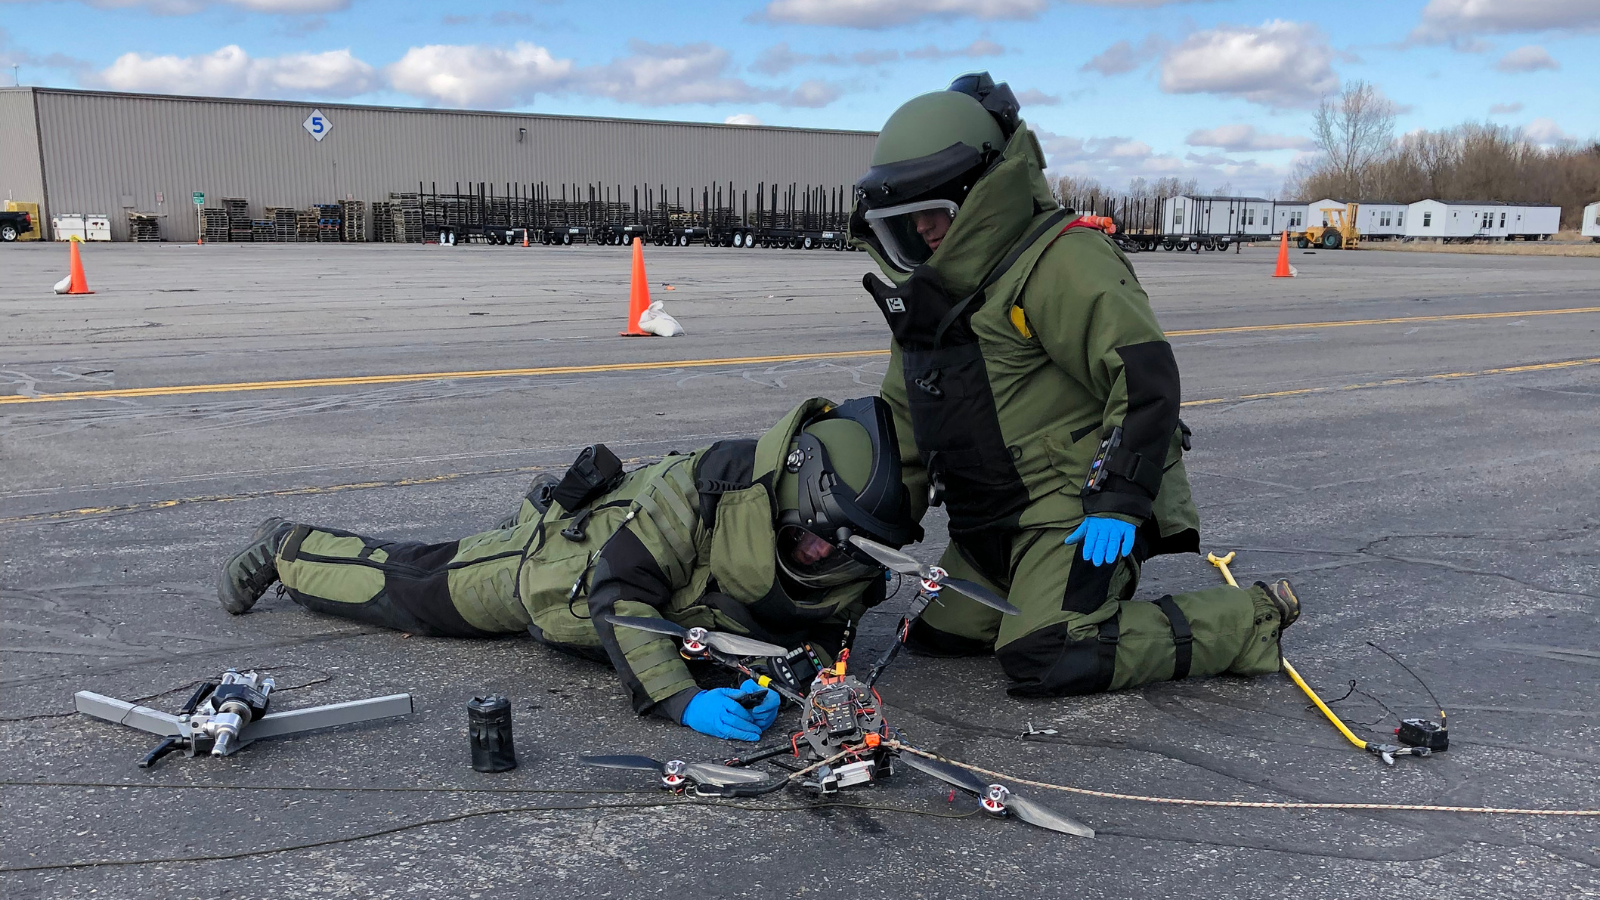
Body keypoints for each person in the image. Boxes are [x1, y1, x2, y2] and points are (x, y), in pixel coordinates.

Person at [848, 72, 1300, 697]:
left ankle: (1249, 620)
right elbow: (905, 416)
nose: (923, 230)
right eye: (909, 217)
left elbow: (1145, 379)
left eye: (935, 212)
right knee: (934, 640)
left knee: (1048, 653)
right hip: (988, 520)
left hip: (1072, 511)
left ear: (978, 194)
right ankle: (1035, 587)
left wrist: (1118, 499)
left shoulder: (1061, 259)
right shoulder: (930, 297)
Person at [217, 397, 920, 740]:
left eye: (846, 551)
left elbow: (827, 633)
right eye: (815, 541)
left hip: (649, 606)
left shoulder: (848, 553)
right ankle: (288, 547)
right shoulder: (698, 490)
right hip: (557, 568)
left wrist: (781, 677)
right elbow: (621, 592)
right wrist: (681, 699)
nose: (826, 558)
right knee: (416, 588)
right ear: (791, 494)